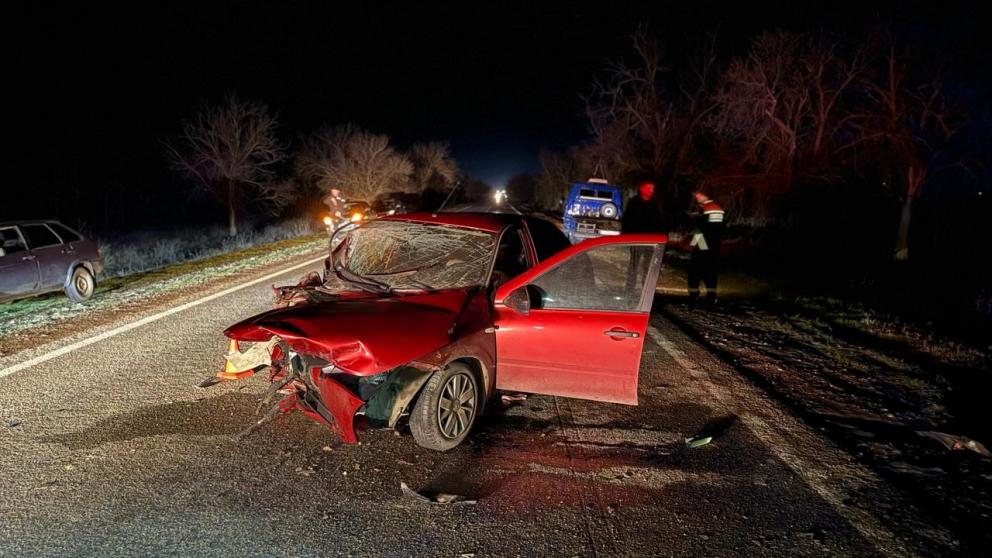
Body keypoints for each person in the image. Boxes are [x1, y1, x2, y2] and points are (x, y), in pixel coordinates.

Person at [621, 180, 668, 291]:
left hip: (650, 241)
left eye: (652, 188)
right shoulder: (634, 202)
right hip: (636, 240)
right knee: (633, 265)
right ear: (642, 188)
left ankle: (646, 288)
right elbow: (627, 220)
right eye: (649, 188)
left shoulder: (655, 204)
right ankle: (629, 288)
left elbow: (661, 222)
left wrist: (660, 238)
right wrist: (627, 236)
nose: (651, 191)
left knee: (648, 266)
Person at [687, 191, 724, 305]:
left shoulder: (713, 208)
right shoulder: (704, 207)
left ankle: (707, 296)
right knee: (701, 270)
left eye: (698, 194)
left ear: (706, 195)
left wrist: (699, 245)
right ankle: (700, 295)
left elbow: (711, 230)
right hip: (705, 244)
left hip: (708, 245)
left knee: (704, 270)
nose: (696, 197)